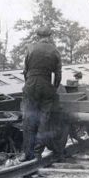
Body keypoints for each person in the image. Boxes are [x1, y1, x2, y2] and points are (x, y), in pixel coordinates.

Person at [20, 26, 63, 162]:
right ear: (49, 36)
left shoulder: (30, 48)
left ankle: (27, 154)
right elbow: (58, 74)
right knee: (44, 120)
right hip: (46, 85)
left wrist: (29, 84)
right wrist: (54, 88)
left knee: (28, 119)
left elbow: (25, 70)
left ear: (37, 36)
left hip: (31, 85)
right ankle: (38, 153)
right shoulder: (55, 50)